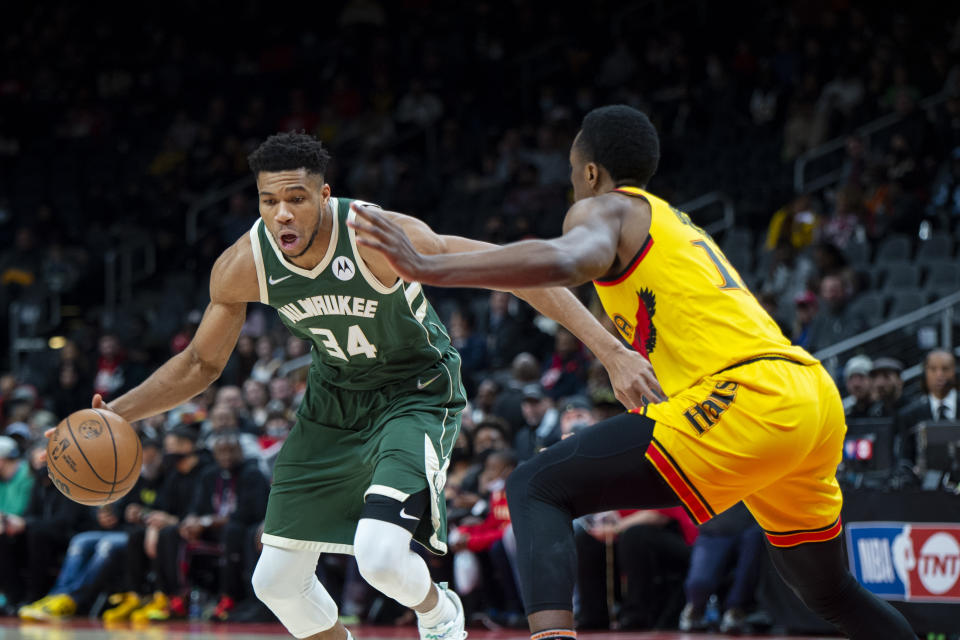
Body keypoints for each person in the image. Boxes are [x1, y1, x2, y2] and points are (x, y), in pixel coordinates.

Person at [351, 104, 916, 639]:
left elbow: (567, 261)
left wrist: (429, 266)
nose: (574, 188)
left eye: (574, 174)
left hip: (751, 396)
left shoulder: (606, 207)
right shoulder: (671, 223)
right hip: (809, 396)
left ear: (591, 171)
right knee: (832, 593)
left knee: (535, 486)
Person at [64, 131, 652, 640]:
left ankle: (440, 609)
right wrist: (117, 413)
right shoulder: (245, 263)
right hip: (332, 404)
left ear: (324, 195)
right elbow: (199, 365)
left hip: (413, 391)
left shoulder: (378, 236)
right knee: (274, 584)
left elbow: (514, 272)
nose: (282, 215)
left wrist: (613, 352)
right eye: (270, 201)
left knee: (380, 557)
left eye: (296, 198)